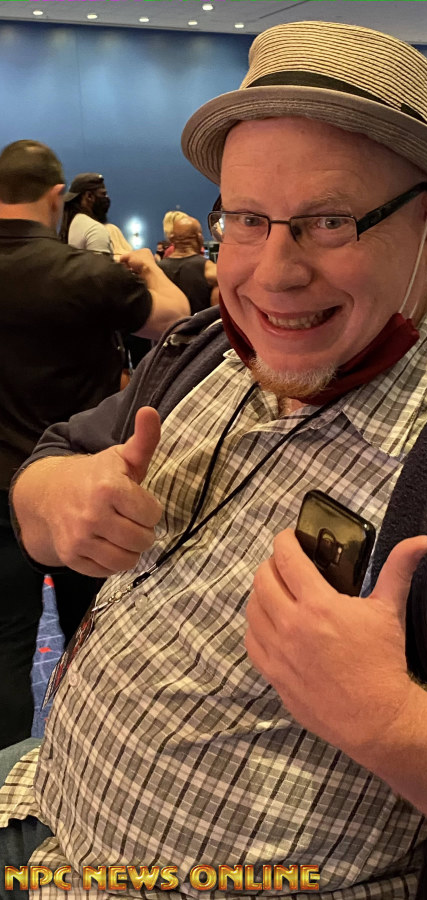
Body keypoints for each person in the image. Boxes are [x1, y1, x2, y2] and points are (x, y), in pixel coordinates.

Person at [3, 22, 427, 900]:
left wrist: (395, 723)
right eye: (247, 220)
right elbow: (56, 458)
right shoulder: (206, 351)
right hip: (53, 824)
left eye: (330, 221)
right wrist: (55, 497)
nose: (273, 276)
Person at [0, 140, 190, 750]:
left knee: (5, 644)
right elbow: (175, 318)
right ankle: (85, 759)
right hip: (85, 480)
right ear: (58, 197)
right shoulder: (83, 273)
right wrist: (148, 266)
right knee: (97, 635)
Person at [158, 215, 213, 313]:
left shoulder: (156, 270)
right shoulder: (210, 270)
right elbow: (218, 317)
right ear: (199, 238)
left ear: (172, 238)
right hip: (201, 323)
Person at [59, 172, 113, 254]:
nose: (107, 198)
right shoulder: (95, 229)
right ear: (89, 196)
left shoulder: (72, 225)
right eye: (103, 194)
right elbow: (99, 262)